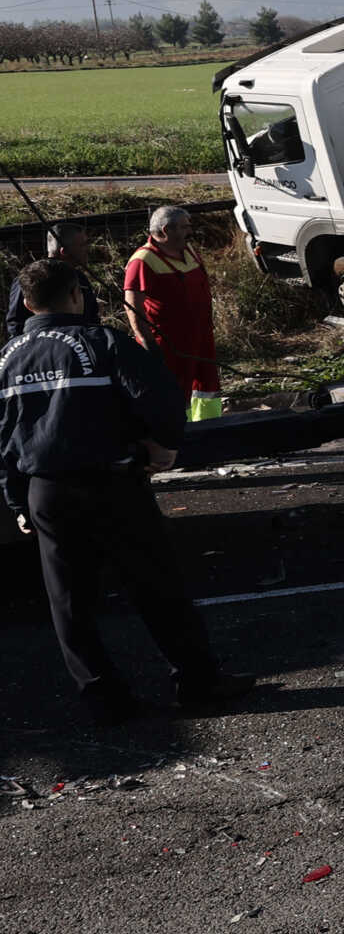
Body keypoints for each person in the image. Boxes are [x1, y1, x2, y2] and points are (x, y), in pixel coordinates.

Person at [3, 259, 256, 725]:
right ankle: (197, 683)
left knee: (69, 603)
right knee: (157, 586)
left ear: (25, 302)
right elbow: (158, 400)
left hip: (47, 493)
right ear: (77, 296)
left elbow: (4, 439)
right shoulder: (103, 342)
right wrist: (163, 447)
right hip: (111, 484)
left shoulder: (7, 358)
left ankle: (103, 700)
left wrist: (18, 501)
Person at [123, 206, 221, 421]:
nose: (191, 231)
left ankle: (212, 430)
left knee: (207, 387)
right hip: (170, 345)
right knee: (175, 393)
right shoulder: (142, 261)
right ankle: (179, 439)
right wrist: (148, 343)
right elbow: (133, 307)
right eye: (186, 227)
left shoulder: (188, 249)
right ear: (166, 230)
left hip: (201, 338)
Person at [7, 222, 99, 340]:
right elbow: (15, 323)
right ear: (64, 251)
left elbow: (93, 318)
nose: (87, 249)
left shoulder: (80, 279)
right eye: (83, 245)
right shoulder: (31, 277)